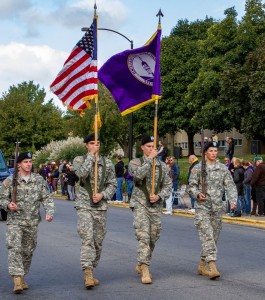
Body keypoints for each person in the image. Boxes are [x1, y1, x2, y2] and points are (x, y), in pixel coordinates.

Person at [0, 152, 54, 294]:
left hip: (32, 221)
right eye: (25, 162)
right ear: (19, 165)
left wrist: (49, 212)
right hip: (15, 221)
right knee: (15, 248)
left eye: (30, 161)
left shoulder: (38, 180)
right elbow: (1, 198)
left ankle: (22, 274)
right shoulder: (10, 181)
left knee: (28, 250)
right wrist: (8, 204)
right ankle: (17, 279)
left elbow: (46, 197)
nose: (29, 164)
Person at [73, 133, 117, 289]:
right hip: (84, 206)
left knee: (98, 242)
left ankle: (92, 266)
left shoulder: (108, 163)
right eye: (92, 143)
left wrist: (103, 194)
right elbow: (81, 174)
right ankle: (88, 273)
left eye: (97, 143)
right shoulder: (79, 160)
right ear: (86, 145)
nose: (95, 146)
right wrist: (91, 157)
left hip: (100, 207)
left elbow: (113, 184)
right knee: (87, 239)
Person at [188, 141, 237, 280]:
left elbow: (230, 185)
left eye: (215, 151)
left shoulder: (222, 168)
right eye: (211, 151)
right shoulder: (197, 169)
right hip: (202, 207)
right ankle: (212, 265)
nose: (213, 153)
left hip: (217, 208)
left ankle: (202, 265)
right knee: (207, 235)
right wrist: (197, 193)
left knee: (213, 237)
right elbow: (191, 186)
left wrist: (233, 201)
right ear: (205, 153)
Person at [129, 135, 172, 284]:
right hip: (140, 204)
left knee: (153, 237)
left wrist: (160, 196)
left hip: (155, 206)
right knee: (144, 237)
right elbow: (137, 176)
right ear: (142, 147)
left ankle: (141, 262)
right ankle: (146, 269)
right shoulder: (135, 162)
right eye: (148, 146)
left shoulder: (163, 167)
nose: (151, 149)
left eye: (153, 147)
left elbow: (168, 186)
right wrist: (149, 160)